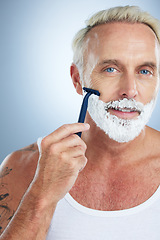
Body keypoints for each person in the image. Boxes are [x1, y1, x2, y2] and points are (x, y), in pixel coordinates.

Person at [0, 5, 160, 240]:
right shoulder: (24, 167)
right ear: (77, 79)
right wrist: (42, 194)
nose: (130, 90)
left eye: (144, 71)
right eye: (111, 69)